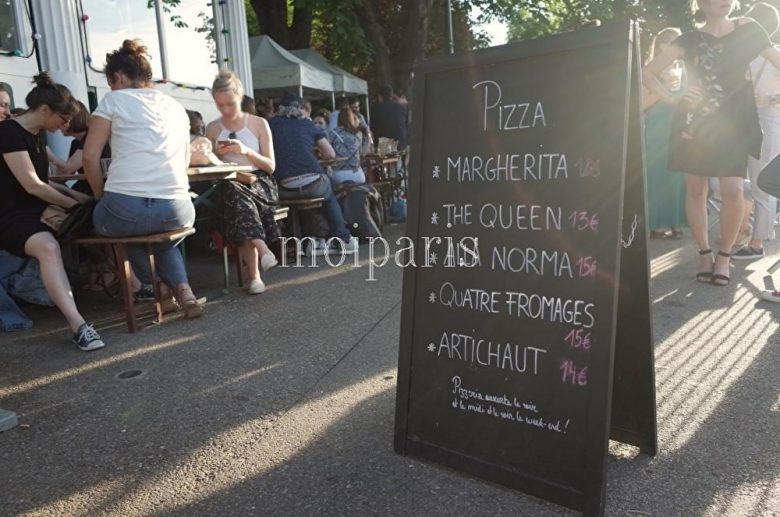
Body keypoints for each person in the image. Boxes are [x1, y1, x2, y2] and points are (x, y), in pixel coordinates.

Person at [643, 0, 780, 286]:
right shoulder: (689, 39)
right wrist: (672, 98)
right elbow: (647, 72)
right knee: (696, 190)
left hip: (733, 124)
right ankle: (704, 253)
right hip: (695, 122)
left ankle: (725, 256)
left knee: (732, 191)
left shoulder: (749, 30)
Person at [84, 39, 203, 318]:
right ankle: (184, 290)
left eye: (111, 82)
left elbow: (90, 157)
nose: (111, 88)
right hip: (178, 208)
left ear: (119, 77)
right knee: (161, 238)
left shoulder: (113, 100)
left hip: (126, 207)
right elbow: (184, 161)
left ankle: (158, 285)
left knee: (118, 228)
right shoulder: (175, 106)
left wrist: (102, 196)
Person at [0, 73, 104, 350]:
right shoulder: (8, 132)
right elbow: (32, 186)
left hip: (39, 210)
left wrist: (80, 197)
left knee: (101, 221)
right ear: (45, 110)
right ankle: (79, 326)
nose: (66, 125)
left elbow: (43, 182)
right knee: (48, 248)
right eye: (63, 118)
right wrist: (72, 205)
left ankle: (134, 286)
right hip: (12, 217)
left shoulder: (37, 133)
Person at [205, 71, 279, 295]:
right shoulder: (212, 129)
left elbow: (270, 166)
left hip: (259, 181)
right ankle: (263, 251)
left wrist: (246, 151)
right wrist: (214, 157)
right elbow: (207, 170)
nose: (225, 110)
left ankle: (255, 276)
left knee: (239, 199)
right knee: (236, 196)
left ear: (240, 96)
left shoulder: (258, 123)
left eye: (230, 103)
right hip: (229, 184)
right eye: (220, 105)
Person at [269, 93, 358, 255]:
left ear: (279, 108)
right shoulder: (308, 125)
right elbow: (330, 155)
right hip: (314, 183)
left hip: (284, 187)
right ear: (300, 108)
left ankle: (299, 242)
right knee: (329, 190)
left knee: (293, 205)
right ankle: (343, 238)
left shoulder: (270, 125)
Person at [733, 2, 780, 260]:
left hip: (770, 120)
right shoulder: (744, 56)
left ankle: (758, 241)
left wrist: (775, 98)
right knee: (733, 179)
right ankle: (747, 227)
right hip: (744, 120)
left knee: (762, 181)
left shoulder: (775, 54)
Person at [643, 28, 687, 239]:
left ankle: (677, 222)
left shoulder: (685, 70)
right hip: (657, 129)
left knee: (677, 176)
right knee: (658, 175)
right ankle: (657, 223)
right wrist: (664, 89)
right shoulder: (648, 72)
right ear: (662, 47)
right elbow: (642, 104)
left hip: (679, 127)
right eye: (674, 43)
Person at [329, 106, 366, 187]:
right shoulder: (358, 134)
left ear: (338, 119)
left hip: (339, 175)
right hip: (357, 175)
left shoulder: (332, 134)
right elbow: (362, 153)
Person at [371, 84, 408, 154]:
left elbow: (373, 129)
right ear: (392, 95)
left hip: (385, 145)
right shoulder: (401, 108)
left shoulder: (376, 109)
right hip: (401, 144)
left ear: (380, 96)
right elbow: (405, 125)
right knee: (398, 162)